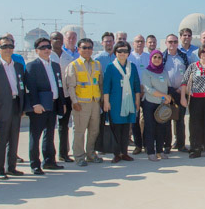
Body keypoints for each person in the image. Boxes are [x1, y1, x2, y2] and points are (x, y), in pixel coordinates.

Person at [23, 37, 64, 175]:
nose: (46, 50)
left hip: (52, 105)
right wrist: (35, 104)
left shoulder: (55, 65)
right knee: (35, 136)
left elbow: (59, 86)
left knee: (50, 134)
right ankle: (35, 164)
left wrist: (61, 103)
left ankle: (49, 161)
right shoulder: (32, 66)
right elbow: (31, 87)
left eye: (48, 47)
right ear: (36, 50)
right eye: (42, 48)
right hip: (39, 107)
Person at [0, 36, 25, 179]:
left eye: (10, 46)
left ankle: (11, 167)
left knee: (14, 137)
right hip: (0, 107)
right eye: (4, 47)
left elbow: (22, 87)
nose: (8, 49)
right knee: (0, 139)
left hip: (15, 104)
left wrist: (22, 107)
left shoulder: (18, 66)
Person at [63, 38, 102, 167]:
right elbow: (70, 86)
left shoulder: (97, 64)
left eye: (89, 47)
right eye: (84, 47)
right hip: (81, 103)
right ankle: (79, 156)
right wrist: (74, 102)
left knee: (94, 130)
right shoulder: (73, 65)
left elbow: (99, 84)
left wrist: (101, 100)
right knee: (79, 130)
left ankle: (91, 153)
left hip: (94, 102)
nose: (87, 50)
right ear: (78, 49)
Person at [101, 41, 142, 163]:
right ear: (115, 53)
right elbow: (106, 86)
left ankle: (124, 153)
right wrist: (106, 102)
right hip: (115, 102)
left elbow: (136, 85)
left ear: (129, 53)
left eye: (125, 51)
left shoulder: (132, 67)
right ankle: (116, 153)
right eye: (119, 51)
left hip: (129, 102)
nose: (122, 53)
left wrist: (137, 101)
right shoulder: (110, 67)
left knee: (126, 129)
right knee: (116, 129)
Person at [140, 50, 171, 161]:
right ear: (151, 59)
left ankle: (160, 151)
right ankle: (150, 152)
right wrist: (164, 95)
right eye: (155, 57)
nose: (157, 59)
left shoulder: (164, 72)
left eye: (159, 57)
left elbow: (168, 86)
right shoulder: (146, 72)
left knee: (161, 128)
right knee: (150, 128)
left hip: (161, 105)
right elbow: (148, 89)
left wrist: (168, 98)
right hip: (149, 103)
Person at [54, 29, 79, 162]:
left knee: (71, 125)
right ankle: (56, 154)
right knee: (57, 127)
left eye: (74, 37)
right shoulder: (49, 56)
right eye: (68, 37)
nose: (71, 39)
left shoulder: (70, 57)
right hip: (55, 96)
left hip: (70, 94)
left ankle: (68, 152)